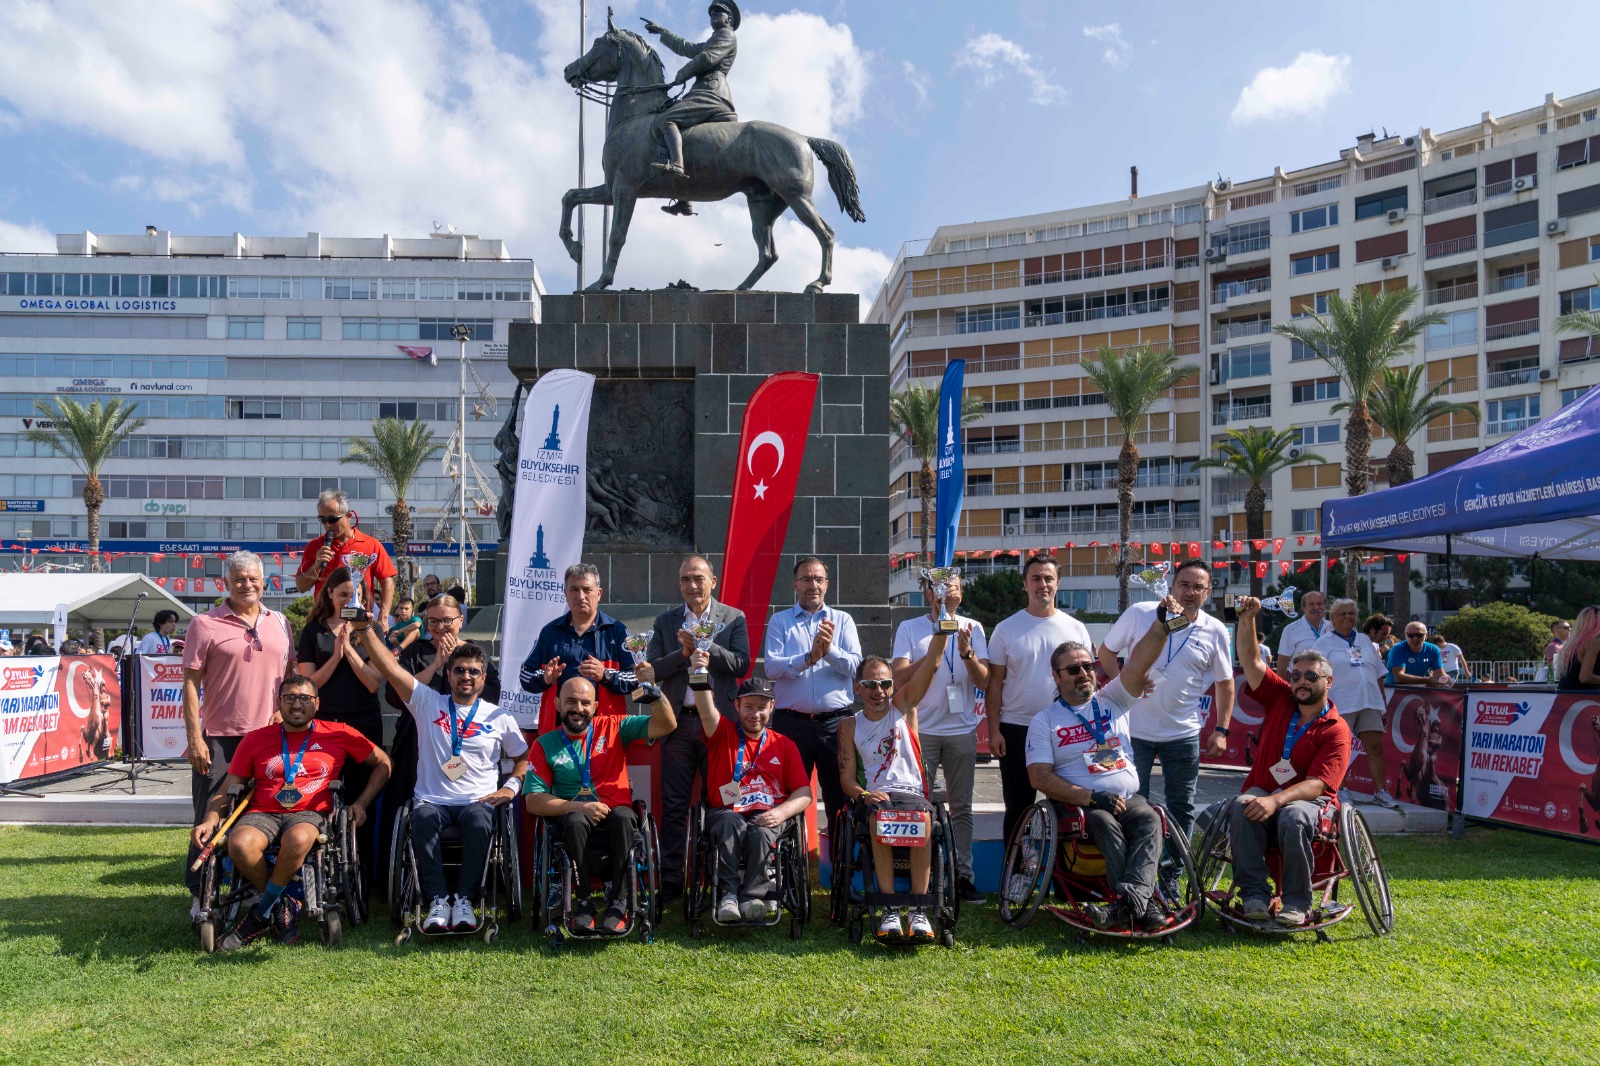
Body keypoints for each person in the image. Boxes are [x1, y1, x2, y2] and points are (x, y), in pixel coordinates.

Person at [191, 675, 391, 950]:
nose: (297, 704)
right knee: (239, 844)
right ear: (279, 703)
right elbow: (227, 789)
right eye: (290, 698)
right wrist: (210, 819)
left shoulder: (339, 733)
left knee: (298, 839)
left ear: (317, 704)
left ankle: (260, 914)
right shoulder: (255, 739)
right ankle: (281, 903)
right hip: (263, 812)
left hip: (310, 812)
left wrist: (361, 803)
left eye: (305, 698)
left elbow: (383, 762)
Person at [353, 616, 527, 932]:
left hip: (479, 801)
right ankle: (438, 901)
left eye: (474, 671)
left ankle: (464, 901)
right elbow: (391, 671)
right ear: (448, 673)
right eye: (459, 670)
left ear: (483, 678)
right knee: (421, 819)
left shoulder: (499, 716)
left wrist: (511, 787)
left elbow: (523, 757)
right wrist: (365, 632)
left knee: (478, 821)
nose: (466, 676)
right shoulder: (428, 702)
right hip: (432, 801)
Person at [1026, 600, 1181, 932]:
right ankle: (1143, 904)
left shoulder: (1114, 699)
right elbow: (1039, 776)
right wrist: (1089, 797)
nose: (1084, 673)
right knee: (1104, 822)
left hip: (1129, 796)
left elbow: (1140, 661)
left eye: (1087, 666)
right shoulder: (1044, 721)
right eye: (1073, 669)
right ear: (1056, 676)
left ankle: (1126, 906)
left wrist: (1162, 625)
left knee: (1150, 820)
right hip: (1081, 806)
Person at [181, 550, 296, 920]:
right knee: (208, 818)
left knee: (255, 819)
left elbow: (289, 675)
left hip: (268, 739)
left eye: (253, 579)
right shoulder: (204, 623)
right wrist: (195, 738)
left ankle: (247, 892)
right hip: (220, 738)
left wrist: (282, 707)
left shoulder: (279, 621)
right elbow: (189, 683)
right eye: (239, 579)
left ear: (265, 582)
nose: (247, 585)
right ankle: (200, 896)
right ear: (225, 584)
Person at [1227, 596, 1352, 927]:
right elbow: (1251, 661)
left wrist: (1275, 800)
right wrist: (1248, 619)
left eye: (1310, 676)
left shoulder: (1336, 729)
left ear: (1328, 681)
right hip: (1265, 789)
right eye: (1295, 676)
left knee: (1293, 817)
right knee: (1242, 806)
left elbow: (1319, 784)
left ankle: (1298, 902)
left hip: (1310, 801)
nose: (1301, 682)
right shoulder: (1281, 698)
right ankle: (1253, 894)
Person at [523, 664, 677, 933]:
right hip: (572, 822)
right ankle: (583, 903)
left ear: (595, 706)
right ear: (558, 704)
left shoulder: (616, 726)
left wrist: (653, 689)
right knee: (574, 820)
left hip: (616, 818)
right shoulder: (544, 744)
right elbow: (533, 802)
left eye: (585, 703)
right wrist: (581, 807)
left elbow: (666, 724)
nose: (578, 708)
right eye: (571, 701)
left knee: (622, 815)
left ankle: (618, 902)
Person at [1098, 558, 1236, 853]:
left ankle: (1172, 873)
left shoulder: (1216, 630)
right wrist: (1125, 683)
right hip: (1133, 731)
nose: (1189, 592)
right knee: (1133, 802)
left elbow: (1225, 682)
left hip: (1183, 735)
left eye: (1197, 587)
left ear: (1208, 592)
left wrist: (1222, 729)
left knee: (1182, 807)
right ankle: (1136, 871)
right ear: (1172, 585)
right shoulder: (1139, 613)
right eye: (1184, 584)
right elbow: (1106, 651)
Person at [645, 554, 751, 906]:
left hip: (719, 726)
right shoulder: (665, 621)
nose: (693, 585)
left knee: (722, 803)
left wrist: (707, 648)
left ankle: (719, 882)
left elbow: (741, 664)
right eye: (686, 579)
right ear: (679, 584)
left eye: (699, 578)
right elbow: (654, 670)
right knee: (674, 807)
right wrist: (684, 652)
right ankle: (673, 883)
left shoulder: (733, 618)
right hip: (678, 725)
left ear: (713, 581)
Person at [890, 571, 989, 904]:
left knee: (962, 808)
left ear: (961, 593)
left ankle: (963, 876)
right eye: (941, 588)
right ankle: (928, 875)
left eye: (955, 588)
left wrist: (966, 654)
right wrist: (937, 643)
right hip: (923, 731)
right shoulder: (910, 628)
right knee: (920, 808)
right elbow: (898, 677)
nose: (947, 593)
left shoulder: (973, 627)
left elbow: (985, 682)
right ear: (929, 593)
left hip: (961, 731)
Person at [838, 644, 948, 940]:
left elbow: (932, 664)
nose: (878, 691)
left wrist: (944, 623)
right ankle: (889, 908)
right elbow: (847, 778)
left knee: (923, 820)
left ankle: (918, 910)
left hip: (912, 792)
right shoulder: (849, 725)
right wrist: (862, 795)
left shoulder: (904, 706)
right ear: (858, 688)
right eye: (870, 684)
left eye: (885, 683)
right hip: (876, 794)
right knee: (882, 819)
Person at [690, 659, 811, 922]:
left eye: (761, 707)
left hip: (768, 813)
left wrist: (781, 813)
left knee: (761, 829)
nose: (754, 714)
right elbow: (705, 709)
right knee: (733, 822)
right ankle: (729, 895)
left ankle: (753, 897)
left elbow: (804, 792)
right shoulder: (721, 732)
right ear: (737, 706)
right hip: (726, 811)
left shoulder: (785, 745)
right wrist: (699, 671)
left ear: (771, 707)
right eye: (748, 707)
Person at [985, 555, 1092, 845]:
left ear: (1058, 584)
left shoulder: (1076, 628)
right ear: (1024, 584)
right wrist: (994, 730)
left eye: (1048, 578)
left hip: (1067, 729)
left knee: (1069, 806)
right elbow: (994, 684)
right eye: (1035, 578)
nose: (1042, 584)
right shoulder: (1006, 629)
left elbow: (1087, 682)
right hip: (1018, 728)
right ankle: (1014, 877)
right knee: (1019, 808)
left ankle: (1064, 876)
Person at [763, 556, 862, 858]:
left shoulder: (842, 620)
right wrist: (809, 658)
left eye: (819, 579)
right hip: (791, 724)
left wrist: (828, 651)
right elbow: (771, 668)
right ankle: (787, 866)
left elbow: (856, 665)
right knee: (787, 795)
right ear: (795, 584)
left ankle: (842, 870)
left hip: (836, 724)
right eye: (806, 579)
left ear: (827, 585)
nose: (813, 585)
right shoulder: (780, 622)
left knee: (839, 798)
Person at [296, 566, 386, 874]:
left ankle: (364, 871)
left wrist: (348, 649)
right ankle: (320, 867)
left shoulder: (371, 630)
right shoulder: (313, 630)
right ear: (330, 595)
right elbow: (308, 685)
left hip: (363, 721)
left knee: (362, 796)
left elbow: (374, 682)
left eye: (356, 594)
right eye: (344, 594)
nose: (350, 599)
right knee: (321, 793)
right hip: (323, 722)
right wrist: (334, 656)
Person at [641, 1, 740, 211]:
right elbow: (687, 48)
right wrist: (663, 32)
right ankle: (684, 198)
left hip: (712, 93)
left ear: (728, 18)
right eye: (711, 12)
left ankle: (677, 165)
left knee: (667, 119)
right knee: (682, 129)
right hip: (702, 91)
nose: (714, 15)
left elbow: (706, 58)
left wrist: (682, 74)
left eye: (719, 12)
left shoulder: (727, 36)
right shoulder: (713, 39)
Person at [518, 563, 635, 718]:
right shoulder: (550, 631)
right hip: (558, 732)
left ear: (599, 593)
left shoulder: (616, 630)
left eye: (587, 589)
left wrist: (606, 675)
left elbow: (637, 678)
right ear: (565, 594)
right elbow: (526, 675)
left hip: (605, 731)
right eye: (574, 590)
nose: (581, 596)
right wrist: (544, 677)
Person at [1313, 599, 1394, 809]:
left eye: (1351, 613)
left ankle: (1380, 792)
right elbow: (1317, 675)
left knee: (1375, 747)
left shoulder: (1365, 641)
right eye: (1343, 614)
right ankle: (1341, 789)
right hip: (1341, 702)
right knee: (1340, 748)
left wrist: (1382, 702)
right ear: (1333, 618)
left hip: (1369, 701)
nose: (1348, 617)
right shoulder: (1324, 643)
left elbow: (1378, 672)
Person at [293, 488, 396, 635]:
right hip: (324, 625)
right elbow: (301, 586)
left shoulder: (371, 544)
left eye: (333, 519)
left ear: (348, 516)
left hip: (360, 623)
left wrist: (383, 617)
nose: (328, 525)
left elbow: (388, 582)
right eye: (322, 520)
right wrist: (317, 564)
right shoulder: (315, 546)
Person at [1275, 590, 1328, 676]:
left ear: (1325, 606)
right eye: (1311, 604)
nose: (1316, 607)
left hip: (1328, 683)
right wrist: (1283, 688)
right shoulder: (1291, 630)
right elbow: (1282, 663)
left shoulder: (1333, 628)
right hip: (1302, 683)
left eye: (1320, 604)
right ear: (1304, 608)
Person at [1386, 622, 1450, 689]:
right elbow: (1399, 677)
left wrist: (1446, 680)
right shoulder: (1397, 649)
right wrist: (1428, 680)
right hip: (1395, 690)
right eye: (1410, 635)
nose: (1415, 638)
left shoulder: (1433, 649)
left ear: (1426, 636)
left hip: (1419, 690)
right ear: (1405, 636)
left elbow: (1439, 674)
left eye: (1419, 635)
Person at [1554, 606, 1600, 690]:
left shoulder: (1573, 643)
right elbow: (1585, 677)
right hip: (1581, 698)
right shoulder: (1594, 642)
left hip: (1565, 696)